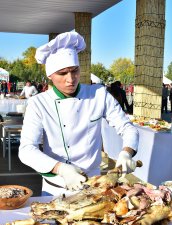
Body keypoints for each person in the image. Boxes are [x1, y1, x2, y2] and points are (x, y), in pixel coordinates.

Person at [18, 31, 139, 196]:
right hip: (56, 187)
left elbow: (127, 128)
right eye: (62, 73)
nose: (71, 79)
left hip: (94, 185)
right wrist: (61, 169)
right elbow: (26, 149)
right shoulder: (38, 103)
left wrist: (127, 152)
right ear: (50, 76)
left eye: (74, 71)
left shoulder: (98, 94)